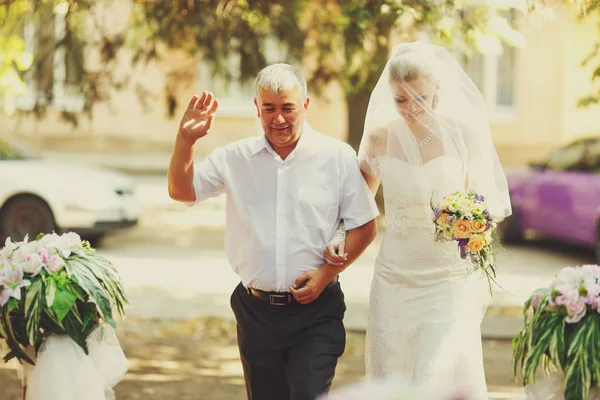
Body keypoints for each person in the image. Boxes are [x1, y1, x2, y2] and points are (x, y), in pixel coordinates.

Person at [168, 63, 379, 400]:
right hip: (256, 315)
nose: (278, 119)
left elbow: (365, 226)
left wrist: (326, 274)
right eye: (269, 109)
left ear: (305, 106)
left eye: (287, 108)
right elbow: (182, 191)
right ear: (257, 108)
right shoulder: (235, 158)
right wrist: (185, 141)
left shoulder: (337, 157)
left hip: (316, 314)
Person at [324, 42, 512, 398]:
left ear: (438, 89)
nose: (410, 108)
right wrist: (339, 234)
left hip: (448, 280)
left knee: (435, 376)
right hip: (395, 278)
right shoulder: (379, 138)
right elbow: (356, 204)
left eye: (420, 98)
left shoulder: (463, 134)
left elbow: (488, 205)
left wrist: (473, 226)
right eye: (401, 100)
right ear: (389, 95)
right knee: (392, 374)